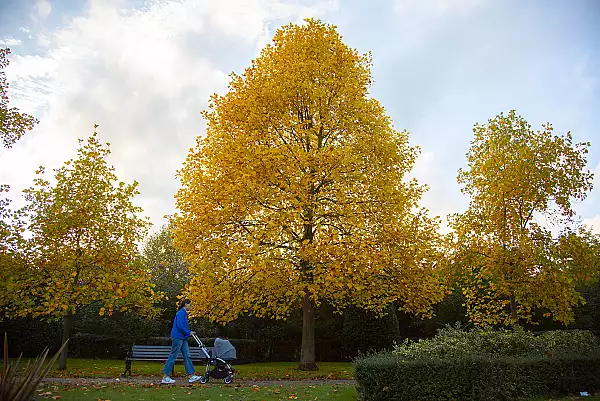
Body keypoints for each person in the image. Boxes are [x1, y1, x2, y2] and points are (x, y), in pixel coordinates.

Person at [161, 299, 201, 384]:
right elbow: (179, 326)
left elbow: (183, 326)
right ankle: (165, 377)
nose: (190, 306)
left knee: (187, 355)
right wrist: (188, 332)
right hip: (178, 337)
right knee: (173, 356)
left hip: (183, 337)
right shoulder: (180, 313)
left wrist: (189, 332)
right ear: (185, 304)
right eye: (189, 304)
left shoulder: (184, 313)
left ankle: (191, 375)